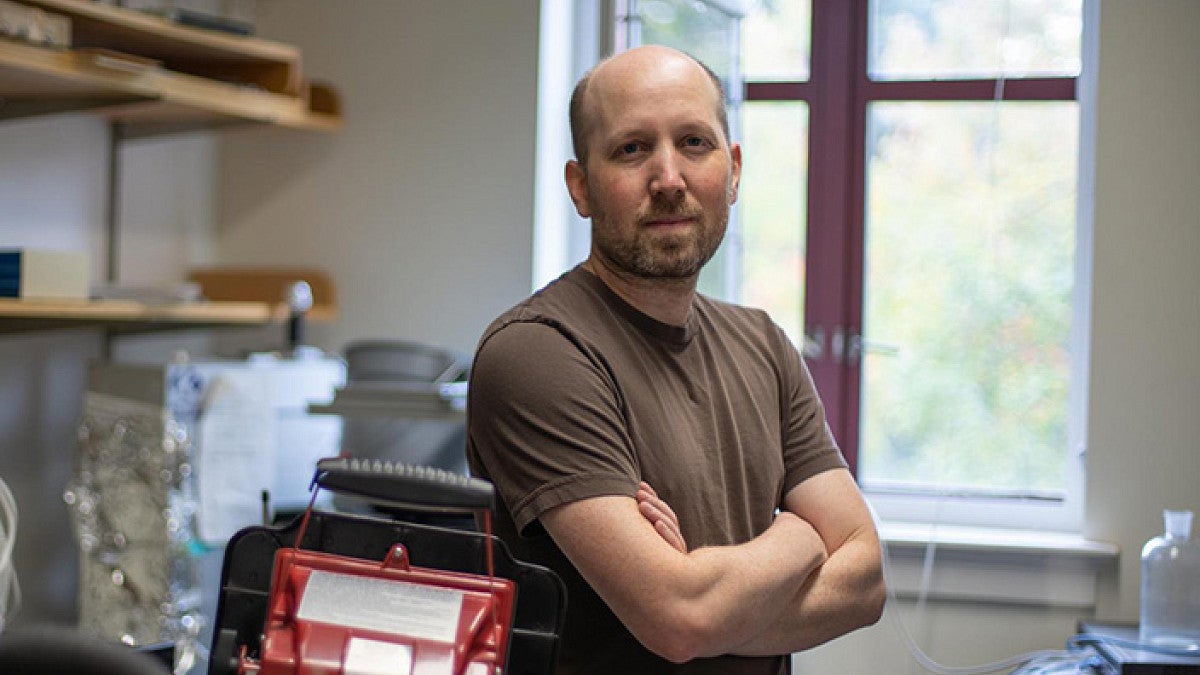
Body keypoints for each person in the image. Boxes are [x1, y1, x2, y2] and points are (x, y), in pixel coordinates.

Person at [466, 45, 885, 674]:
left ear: (733, 169)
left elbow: (866, 579)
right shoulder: (537, 352)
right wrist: (797, 535)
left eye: (694, 142)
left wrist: (706, 595)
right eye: (631, 149)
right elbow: (678, 619)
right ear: (580, 186)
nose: (668, 178)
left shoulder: (764, 346)